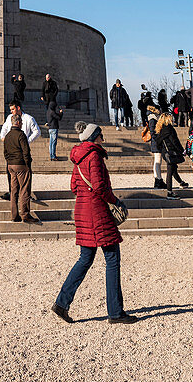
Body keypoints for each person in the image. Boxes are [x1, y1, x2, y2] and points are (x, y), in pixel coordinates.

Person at [52, 124, 137, 325]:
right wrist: (115, 201)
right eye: (101, 136)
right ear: (95, 137)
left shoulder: (79, 157)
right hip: (96, 211)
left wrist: (85, 194)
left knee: (85, 258)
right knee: (112, 258)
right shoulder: (94, 156)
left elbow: (74, 186)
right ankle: (115, 312)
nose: (103, 139)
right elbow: (99, 186)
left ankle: (62, 303)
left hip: (81, 209)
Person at [0, 103, 41, 201]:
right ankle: (12, 192)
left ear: (18, 108)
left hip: (22, 149)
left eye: (13, 109)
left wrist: (27, 140)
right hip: (12, 149)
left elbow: (37, 131)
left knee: (25, 173)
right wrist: (3, 138)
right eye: (10, 110)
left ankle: (26, 194)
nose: (11, 111)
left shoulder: (28, 118)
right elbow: (4, 128)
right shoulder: (10, 117)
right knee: (10, 172)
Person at [3, 116, 36, 223]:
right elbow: (26, 152)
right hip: (21, 165)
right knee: (24, 189)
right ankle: (25, 214)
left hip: (11, 165)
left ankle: (14, 215)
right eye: (21, 121)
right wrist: (28, 165)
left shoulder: (7, 136)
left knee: (14, 191)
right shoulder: (21, 135)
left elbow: (5, 152)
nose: (22, 123)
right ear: (17, 122)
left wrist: (9, 162)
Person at [155, 111, 187, 197]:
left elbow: (158, 142)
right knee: (170, 171)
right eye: (171, 118)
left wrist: (163, 151)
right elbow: (175, 141)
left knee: (173, 169)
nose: (172, 119)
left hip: (166, 153)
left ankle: (181, 183)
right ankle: (169, 192)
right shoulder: (169, 129)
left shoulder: (160, 129)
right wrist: (182, 151)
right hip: (172, 152)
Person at [146, 104, 166, 190]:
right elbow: (152, 131)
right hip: (156, 142)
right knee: (158, 161)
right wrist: (158, 140)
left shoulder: (153, 117)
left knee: (157, 161)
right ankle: (158, 180)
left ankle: (158, 179)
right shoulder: (153, 118)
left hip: (156, 142)